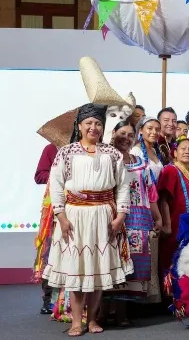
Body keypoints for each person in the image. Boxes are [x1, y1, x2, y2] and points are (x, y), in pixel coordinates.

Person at [43, 104, 133, 337]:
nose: (94, 127)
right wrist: (61, 216)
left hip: (104, 216)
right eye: (89, 123)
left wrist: (120, 216)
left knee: (97, 271)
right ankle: (76, 322)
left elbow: (123, 186)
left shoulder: (112, 154)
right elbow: (56, 185)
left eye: (98, 123)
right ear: (79, 126)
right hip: (75, 216)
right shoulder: (66, 152)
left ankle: (92, 319)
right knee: (77, 270)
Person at [103, 121, 162, 323]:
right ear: (113, 133)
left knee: (131, 265)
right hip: (112, 218)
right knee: (109, 263)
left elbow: (150, 192)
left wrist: (157, 217)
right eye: (122, 133)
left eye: (130, 135)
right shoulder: (105, 159)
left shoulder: (141, 163)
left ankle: (122, 312)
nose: (126, 138)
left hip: (139, 219)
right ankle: (101, 312)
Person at [157, 137, 189, 280]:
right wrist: (167, 225)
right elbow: (163, 199)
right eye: (183, 149)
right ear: (175, 153)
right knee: (172, 267)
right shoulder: (171, 170)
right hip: (175, 228)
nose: (187, 152)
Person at [33, 142, 59, 314]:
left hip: (81, 207)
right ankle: (49, 299)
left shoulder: (90, 148)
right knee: (50, 252)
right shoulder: (52, 148)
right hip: (54, 209)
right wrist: (60, 174)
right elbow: (39, 175)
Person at [131, 117, 163, 186]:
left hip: (156, 191)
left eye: (157, 129)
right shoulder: (135, 151)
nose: (154, 132)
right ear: (141, 130)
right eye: (150, 128)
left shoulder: (154, 150)